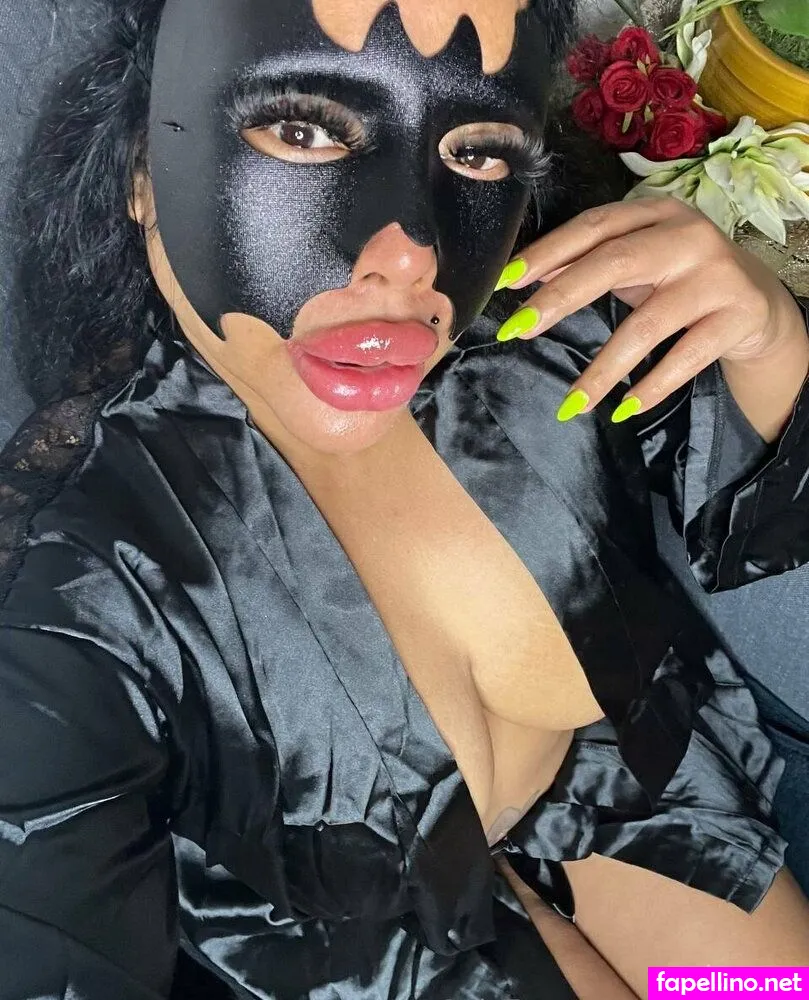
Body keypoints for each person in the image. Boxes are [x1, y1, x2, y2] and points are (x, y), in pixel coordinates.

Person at [2, 0, 809, 997]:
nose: (410, 253)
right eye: (302, 128)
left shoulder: (538, 333)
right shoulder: (74, 583)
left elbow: (758, 517)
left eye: (475, 151)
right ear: (140, 169)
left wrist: (769, 336)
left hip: (631, 807)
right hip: (380, 954)